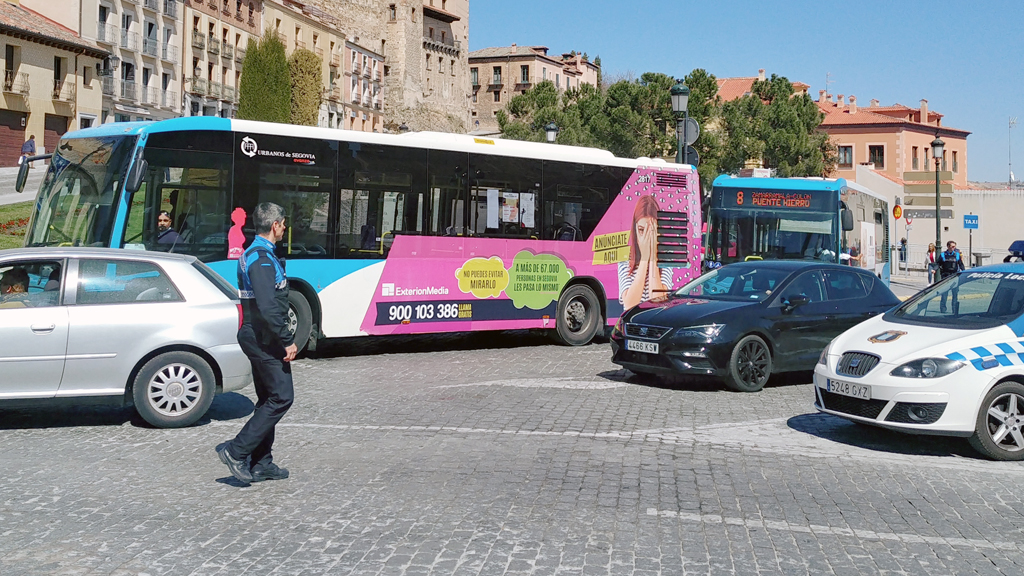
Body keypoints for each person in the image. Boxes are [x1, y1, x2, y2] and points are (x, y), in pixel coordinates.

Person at [216, 202, 297, 485]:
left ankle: (262, 463)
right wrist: (286, 340)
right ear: (275, 225)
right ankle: (237, 451)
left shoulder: (255, 253)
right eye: (283, 224)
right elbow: (267, 305)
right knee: (282, 397)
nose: (285, 229)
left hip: (258, 336)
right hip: (264, 338)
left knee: (267, 399)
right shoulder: (261, 258)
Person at [618, 195, 672, 309]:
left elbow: (658, 301)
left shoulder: (666, 259)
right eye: (642, 230)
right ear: (635, 229)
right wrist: (644, 259)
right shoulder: (624, 258)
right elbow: (629, 305)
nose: (646, 237)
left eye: (651, 231)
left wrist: (653, 257)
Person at [938, 240, 965, 313]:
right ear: (948, 246)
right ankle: (943, 309)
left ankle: (954, 310)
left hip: (955, 276)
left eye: (954, 246)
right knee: (944, 294)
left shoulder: (957, 255)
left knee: (955, 294)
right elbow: (938, 263)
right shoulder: (943, 255)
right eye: (952, 246)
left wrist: (964, 272)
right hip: (945, 276)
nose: (954, 248)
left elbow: (961, 264)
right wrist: (934, 269)